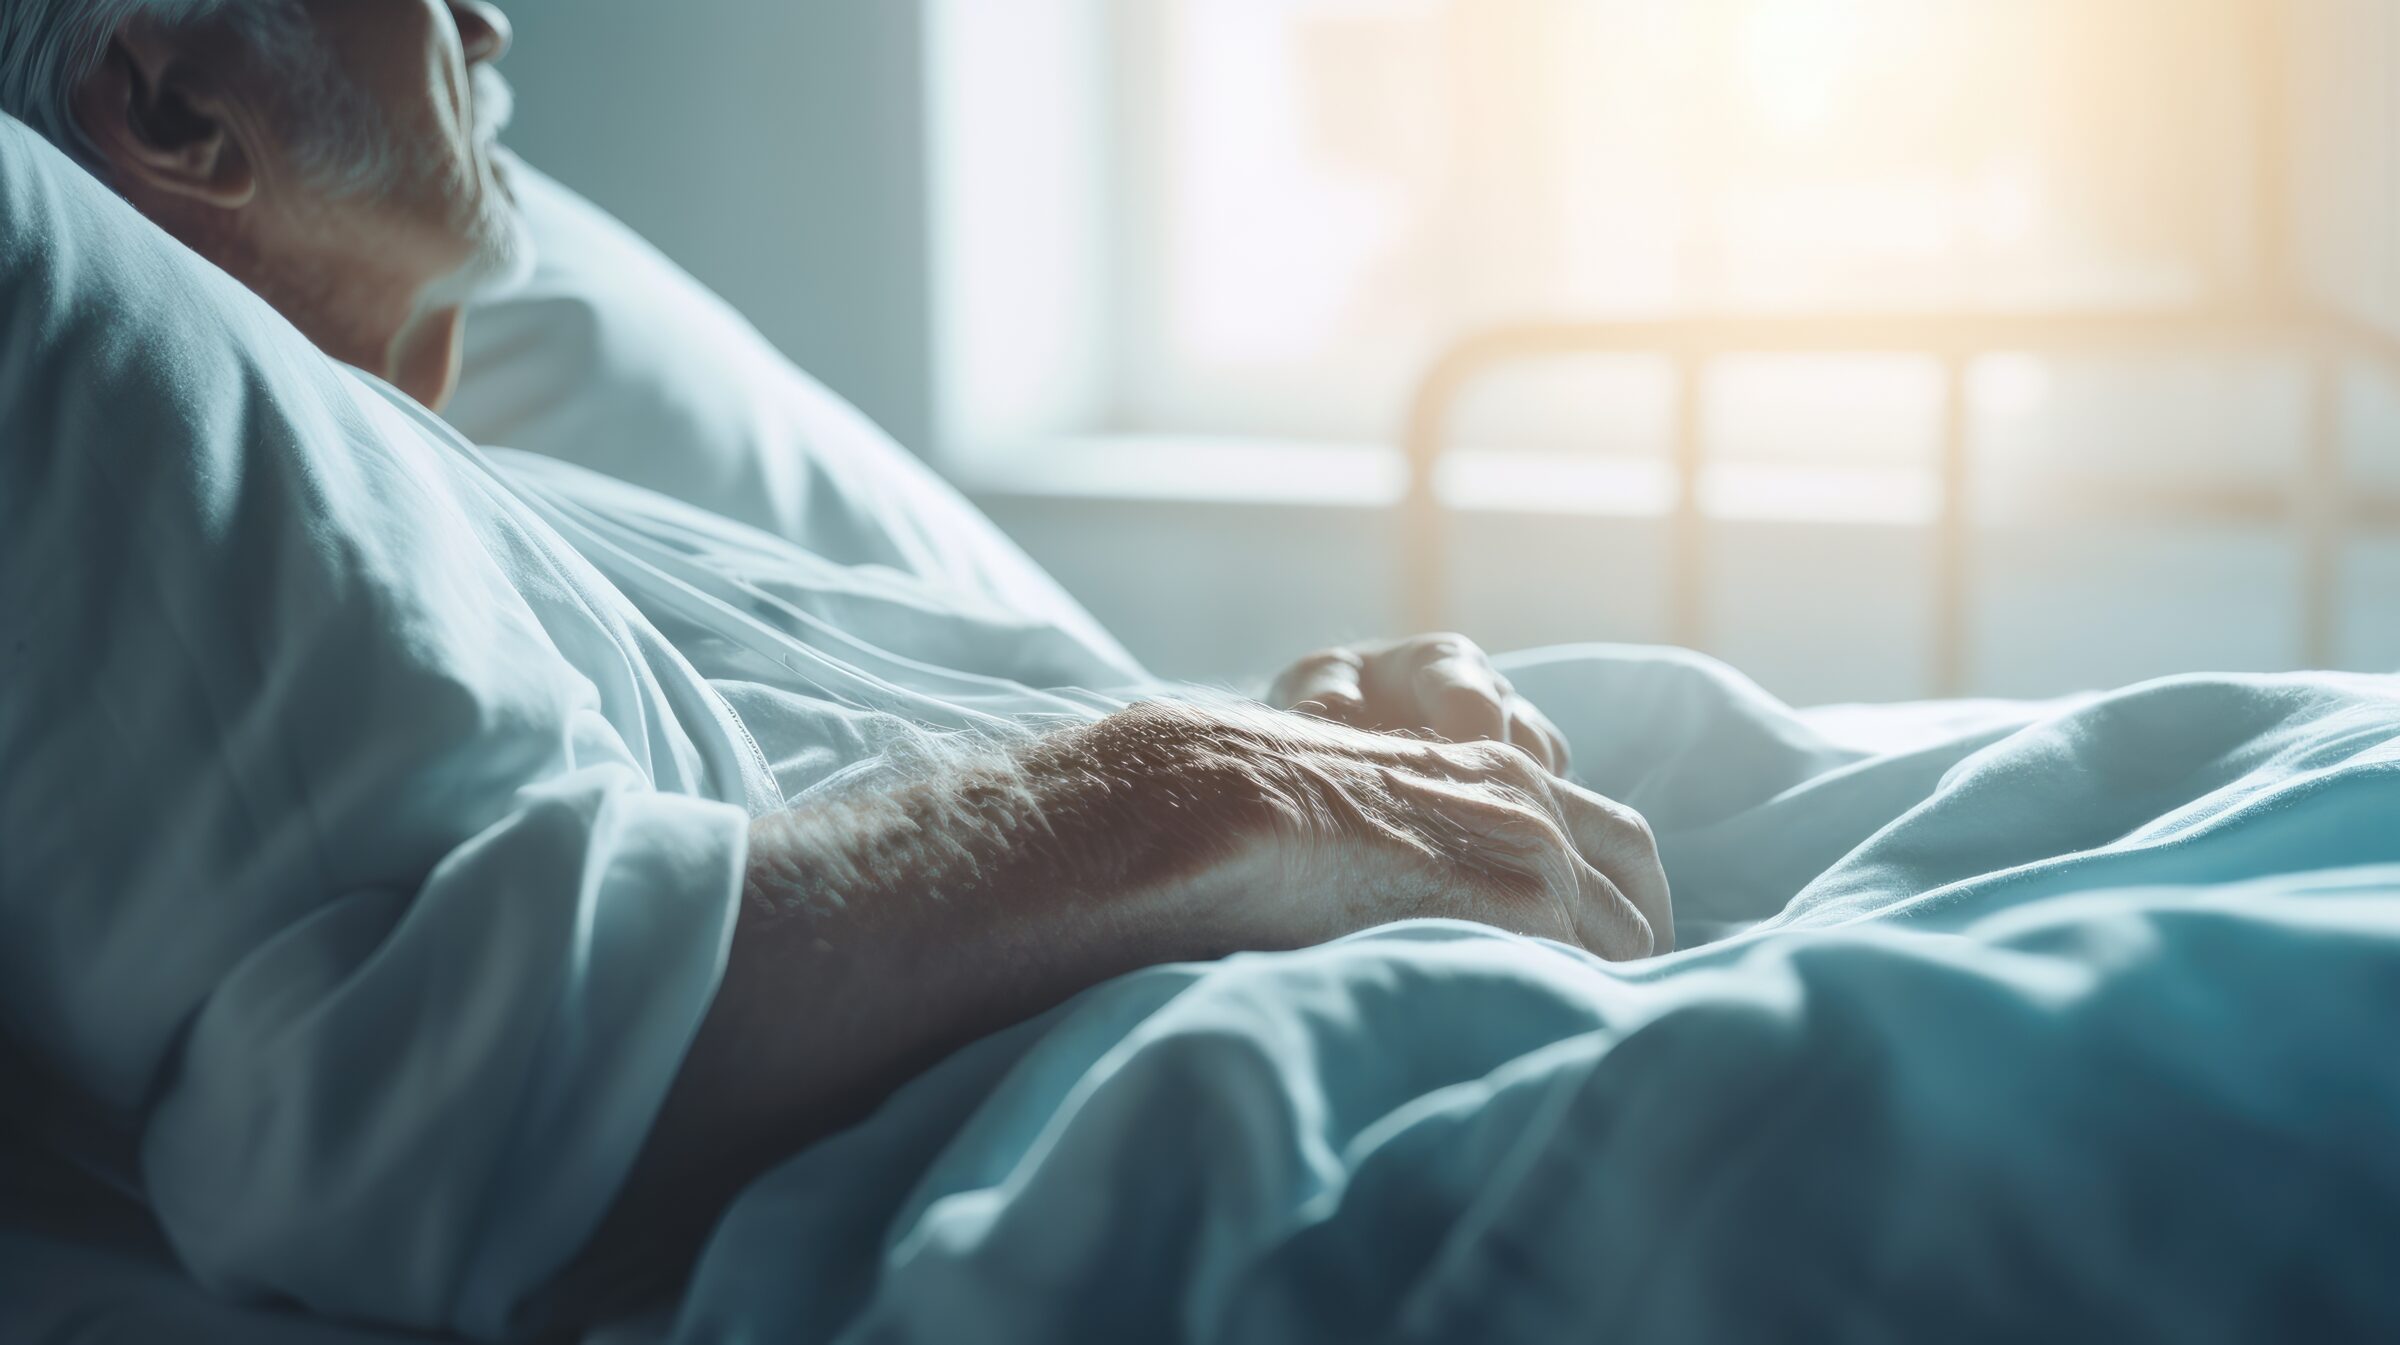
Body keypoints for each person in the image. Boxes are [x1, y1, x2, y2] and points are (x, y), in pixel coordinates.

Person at [0, 0, 1674, 1319]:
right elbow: (428, 1098)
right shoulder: (157, 425)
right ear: (175, 114)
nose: (489, 26)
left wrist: (1299, 722)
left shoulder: (476, 486)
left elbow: (876, 757)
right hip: (1339, 1123)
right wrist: (1233, 794)